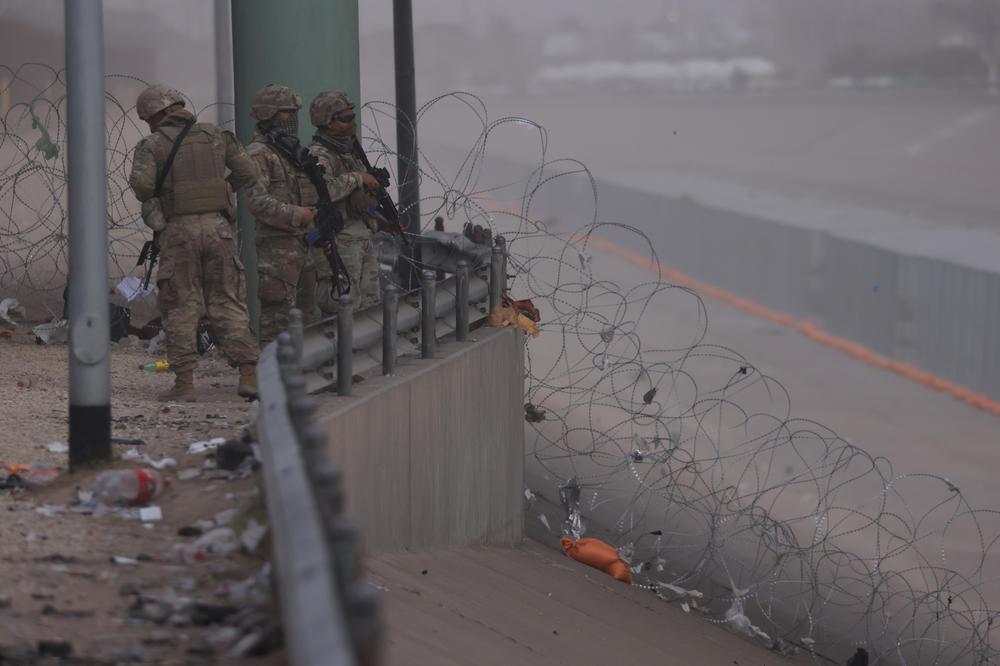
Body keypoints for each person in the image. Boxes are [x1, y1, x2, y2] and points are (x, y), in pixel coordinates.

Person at [128, 84, 290, 402]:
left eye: (148, 118)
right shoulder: (217, 136)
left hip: (178, 232)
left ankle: (184, 384)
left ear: (157, 114)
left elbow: (144, 188)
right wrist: (221, 189)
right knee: (228, 302)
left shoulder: (152, 144)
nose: (148, 123)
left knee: (180, 306)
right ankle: (247, 375)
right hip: (219, 229)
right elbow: (249, 173)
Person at [244, 84, 322, 342]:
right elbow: (257, 202)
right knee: (278, 321)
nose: (293, 120)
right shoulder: (259, 154)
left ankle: (305, 376)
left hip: (305, 245)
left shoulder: (290, 151)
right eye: (288, 114)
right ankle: (273, 377)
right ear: (270, 115)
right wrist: (298, 215)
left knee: (307, 317)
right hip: (278, 251)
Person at [307, 90, 382, 313]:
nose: (352, 123)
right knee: (344, 306)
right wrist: (358, 177)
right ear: (328, 123)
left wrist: (378, 219)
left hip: (361, 237)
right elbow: (323, 190)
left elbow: (359, 199)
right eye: (345, 119)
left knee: (370, 308)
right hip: (341, 241)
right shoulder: (319, 156)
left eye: (353, 117)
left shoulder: (349, 152)